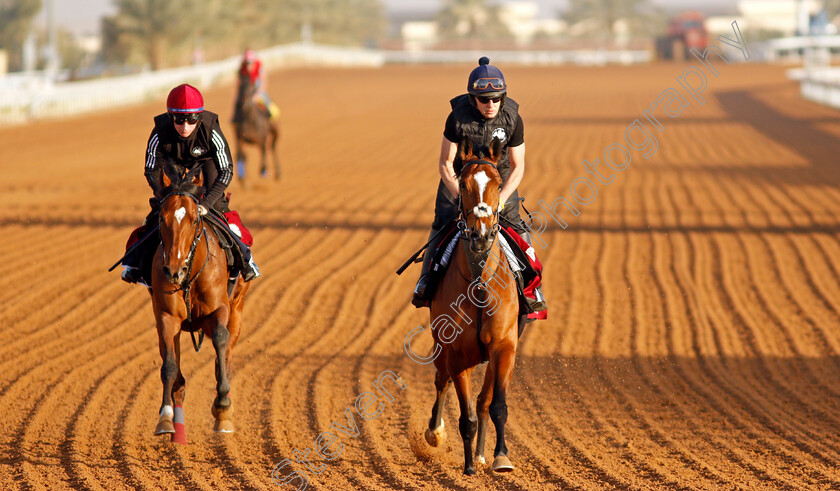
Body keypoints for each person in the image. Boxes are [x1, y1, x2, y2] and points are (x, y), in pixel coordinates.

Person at [412, 57, 547, 314]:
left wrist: (501, 199)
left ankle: (532, 289)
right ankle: (425, 281)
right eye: (484, 99)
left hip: (499, 180)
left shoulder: (513, 119)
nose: (491, 104)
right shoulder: (456, 118)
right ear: (473, 98)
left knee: (516, 226)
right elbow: (445, 162)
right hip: (461, 181)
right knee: (442, 224)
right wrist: (461, 197)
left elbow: (518, 166)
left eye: (496, 98)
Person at [120, 83, 260, 285]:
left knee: (220, 210)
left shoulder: (211, 130)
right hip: (173, 168)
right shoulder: (159, 134)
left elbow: (226, 170)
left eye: (192, 119)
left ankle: (245, 259)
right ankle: (135, 264)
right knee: (157, 217)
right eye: (179, 120)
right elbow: (152, 170)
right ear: (170, 117)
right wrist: (164, 197)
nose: (185, 126)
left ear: (199, 117)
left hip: (207, 166)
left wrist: (207, 204)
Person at [233, 49, 279, 123]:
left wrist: (257, 95)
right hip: (247, 89)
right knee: (237, 103)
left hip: (258, 88)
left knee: (269, 105)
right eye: (247, 64)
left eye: (250, 63)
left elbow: (263, 83)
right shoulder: (242, 70)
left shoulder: (259, 68)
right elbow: (239, 84)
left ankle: (272, 123)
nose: (248, 66)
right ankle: (235, 119)